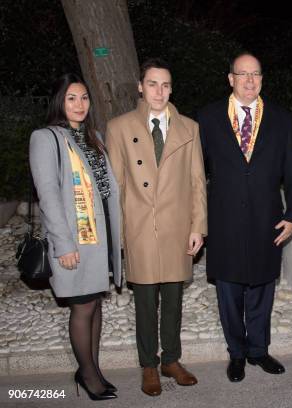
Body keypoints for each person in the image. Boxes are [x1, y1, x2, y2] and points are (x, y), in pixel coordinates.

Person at [197, 52, 292, 383]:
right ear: (230, 78)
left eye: (255, 74)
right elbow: (195, 175)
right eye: (242, 74)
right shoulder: (207, 117)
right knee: (228, 288)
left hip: (266, 216)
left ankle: (258, 350)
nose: (249, 80)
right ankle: (237, 353)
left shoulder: (280, 118)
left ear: (262, 79)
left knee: (261, 286)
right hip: (223, 218)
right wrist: (195, 220)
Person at [105, 58, 207, 396]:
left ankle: (171, 360)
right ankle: (149, 364)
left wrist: (198, 226)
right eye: (152, 83)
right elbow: (116, 186)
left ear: (171, 88)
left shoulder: (188, 127)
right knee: (145, 301)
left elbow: (197, 182)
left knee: (174, 300)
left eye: (165, 85)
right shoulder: (120, 127)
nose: (159, 91)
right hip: (139, 226)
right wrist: (118, 234)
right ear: (140, 86)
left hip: (177, 226)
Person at [29, 73, 121, 400]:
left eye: (84, 98)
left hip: (98, 240)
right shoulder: (46, 138)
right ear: (59, 101)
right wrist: (63, 244)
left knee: (95, 305)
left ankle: (92, 368)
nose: (79, 104)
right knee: (82, 308)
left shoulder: (93, 136)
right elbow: (48, 195)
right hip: (74, 241)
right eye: (71, 98)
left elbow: (105, 188)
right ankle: (87, 375)